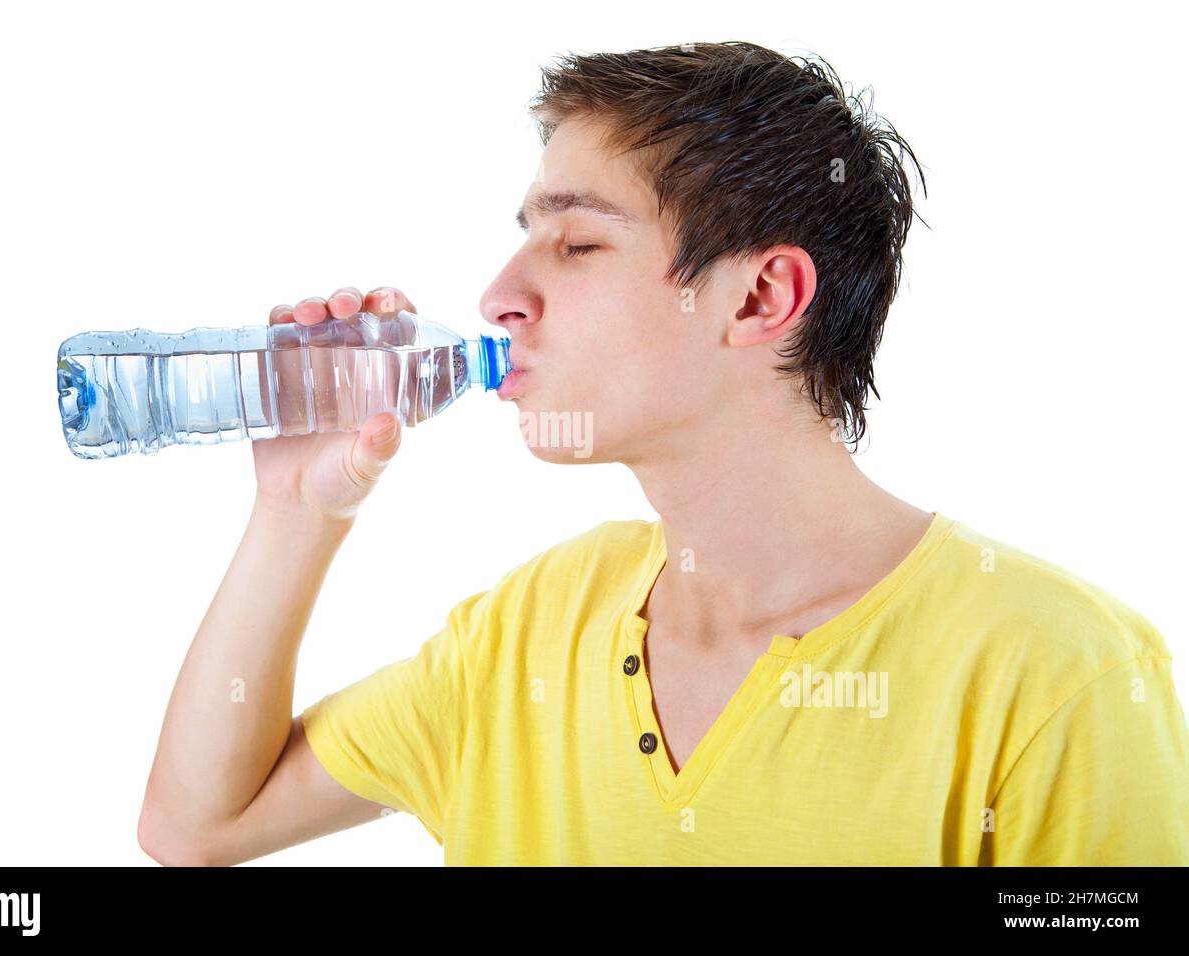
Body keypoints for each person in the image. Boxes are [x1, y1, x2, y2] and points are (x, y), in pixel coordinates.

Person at [137, 41, 1189, 866]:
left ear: (758, 297)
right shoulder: (527, 630)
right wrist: (296, 503)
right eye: (523, 232)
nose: (500, 292)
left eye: (578, 240)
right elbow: (196, 829)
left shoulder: (1059, 672)